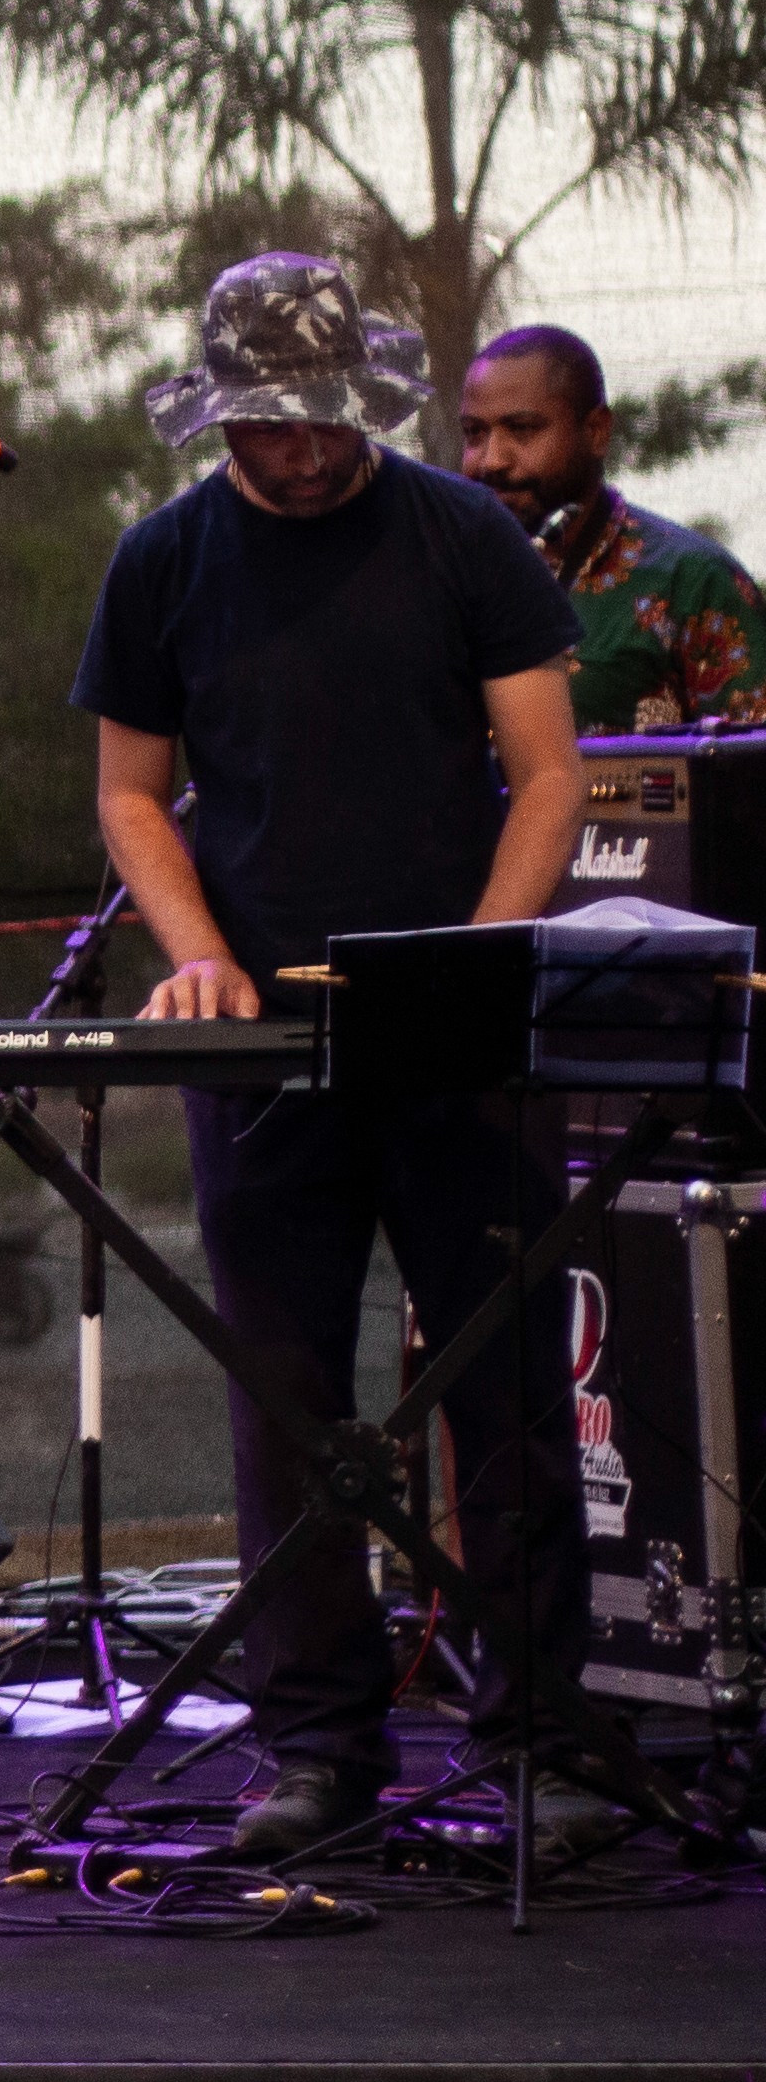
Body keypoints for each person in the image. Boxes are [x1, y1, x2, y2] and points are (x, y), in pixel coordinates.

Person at [77, 253, 605, 1865]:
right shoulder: (165, 560)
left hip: (454, 1027)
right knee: (291, 1399)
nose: (295, 452)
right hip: (265, 1044)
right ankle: (314, 1747)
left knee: (506, 1392)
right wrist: (201, 957)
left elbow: (548, 775)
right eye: (262, 427)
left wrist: (477, 960)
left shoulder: (462, 535)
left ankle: (540, 1745)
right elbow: (131, 794)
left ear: (357, 402)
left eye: (316, 423)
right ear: (219, 416)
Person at [455, 321, 766, 734]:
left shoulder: (692, 579)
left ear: (597, 431)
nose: (491, 459)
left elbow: (750, 771)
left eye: (522, 429)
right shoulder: (445, 576)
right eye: (474, 433)